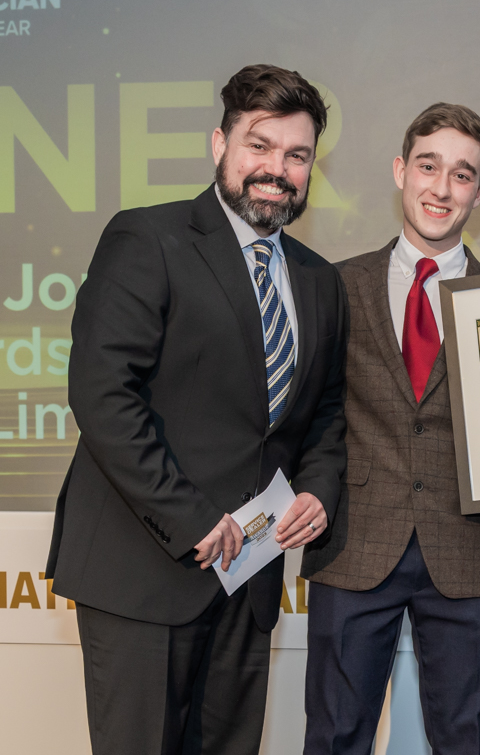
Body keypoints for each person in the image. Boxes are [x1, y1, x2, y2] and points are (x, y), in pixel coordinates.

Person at [45, 64, 348, 755]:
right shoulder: (148, 238)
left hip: (249, 580)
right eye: (259, 146)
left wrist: (319, 489)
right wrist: (190, 520)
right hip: (145, 572)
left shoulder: (318, 280)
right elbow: (102, 392)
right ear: (220, 144)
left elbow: (326, 411)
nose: (277, 170)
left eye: (296, 155)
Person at [301, 103, 480, 755]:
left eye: (462, 174)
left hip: (467, 551)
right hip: (353, 547)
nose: (442, 188)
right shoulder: (336, 287)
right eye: (428, 166)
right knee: (333, 739)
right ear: (400, 171)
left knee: (463, 742)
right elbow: (311, 415)